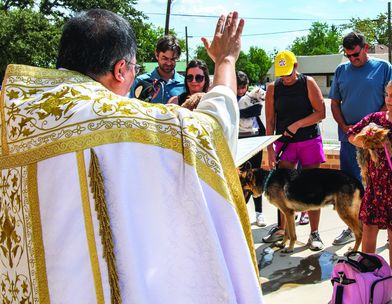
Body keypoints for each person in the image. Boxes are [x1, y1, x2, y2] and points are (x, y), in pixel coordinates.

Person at [0, 9, 263, 303]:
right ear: (121, 69)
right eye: (135, 68)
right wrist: (226, 61)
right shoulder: (120, 120)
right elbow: (212, 130)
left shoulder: (12, 114)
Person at [329, 31, 392, 246]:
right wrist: (347, 128)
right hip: (349, 139)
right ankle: (352, 227)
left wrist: (370, 128)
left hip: (374, 140)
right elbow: (335, 104)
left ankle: (381, 228)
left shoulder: (383, 68)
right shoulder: (341, 71)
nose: (352, 59)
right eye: (348, 56)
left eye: (355, 54)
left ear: (365, 48)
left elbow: (390, 102)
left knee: (378, 185)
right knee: (350, 185)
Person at [346, 78, 392, 285]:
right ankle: (368, 272)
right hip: (376, 185)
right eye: (387, 95)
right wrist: (368, 140)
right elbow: (351, 135)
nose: (388, 99)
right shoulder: (376, 119)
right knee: (369, 228)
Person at [262, 50, 326, 251]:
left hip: (309, 141)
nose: (285, 78)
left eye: (288, 73)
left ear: (296, 66)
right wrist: (270, 150)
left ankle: (314, 233)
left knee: (312, 186)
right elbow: (270, 120)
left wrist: (298, 124)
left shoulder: (308, 83)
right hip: (285, 143)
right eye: (281, 74)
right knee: (282, 188)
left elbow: (321, 113)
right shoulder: (273, 89)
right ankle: (284, 230)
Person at [237, 70, 266, 227]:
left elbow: (256, 110)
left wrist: (236, 113)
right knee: (240, 180)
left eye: (243, 87)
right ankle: (241, 214)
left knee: (255, 176)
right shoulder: (228, 98)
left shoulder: (252, 95)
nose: (241, 90)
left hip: (254, 140)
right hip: (237, 142)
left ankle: (259, 213)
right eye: (238, 87)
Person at [130, 35, 185, 104]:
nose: (168, 63)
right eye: (164, 58)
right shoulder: (141, 81)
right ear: (156, 55)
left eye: (173, 59)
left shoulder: (184, 84)